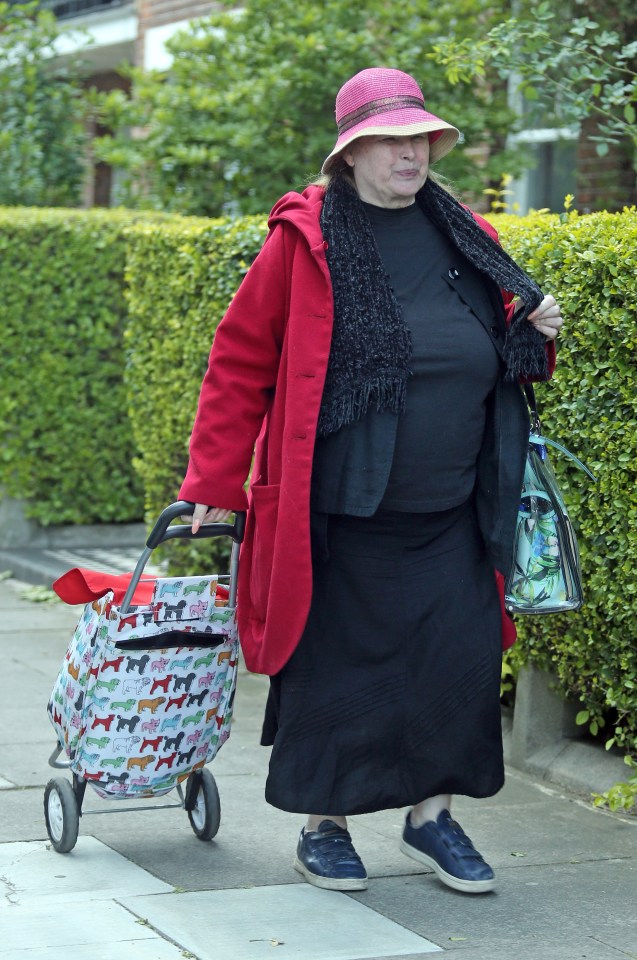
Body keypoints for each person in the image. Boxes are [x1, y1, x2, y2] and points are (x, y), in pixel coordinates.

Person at [179, 67, 563, 895]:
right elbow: (239, 362)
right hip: (340, 506)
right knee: (341, 668)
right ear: (349, 154)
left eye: (419, 136)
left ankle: (431, 821)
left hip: (457, 503)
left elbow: (504, 356)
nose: (409, 152)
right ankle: (326, 829)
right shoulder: (304, 239)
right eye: (389, 138)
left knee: (452, 662)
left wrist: (534, 327)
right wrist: (213, 480)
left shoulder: (468, 234)